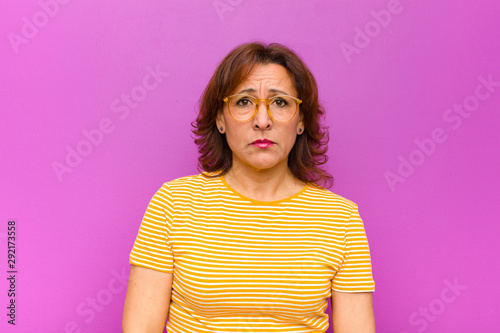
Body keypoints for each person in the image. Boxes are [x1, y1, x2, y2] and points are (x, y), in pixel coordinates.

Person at [122, 42, 376, 333]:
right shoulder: (173, 204)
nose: (262, 121)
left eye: (280, 102)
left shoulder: (340, 218)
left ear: (301, 120)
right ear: (220, 118)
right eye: (244, 102)